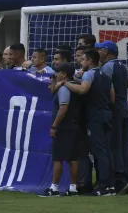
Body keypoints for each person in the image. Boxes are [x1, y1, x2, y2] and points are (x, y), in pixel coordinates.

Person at [59, 49, 115, 196]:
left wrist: (66, 83)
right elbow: (112, 97)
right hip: (107, 115)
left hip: (95, 117)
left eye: (83, 59)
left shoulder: (90, 74)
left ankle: (103, 187)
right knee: (107, 151)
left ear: (90, 61)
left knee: (99, 151)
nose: (81, 62)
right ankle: (110, 185)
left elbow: (83, 90)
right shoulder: (105, 75)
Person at [96, 40, 128, 194]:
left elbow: (104, 89)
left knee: (114, 146)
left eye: (99, 49)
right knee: (124, 147)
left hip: (114, 111)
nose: (97, 52)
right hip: (124, 109)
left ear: (106, 51)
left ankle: (120, 181)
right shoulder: (123, 67)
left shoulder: (107, 67)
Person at [41, 63, 81, 197]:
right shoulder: (75, 87)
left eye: (58, 72)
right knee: (73, 158)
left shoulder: (64, 89)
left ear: (64, 74)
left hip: (64, 127)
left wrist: (54, 126)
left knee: (58, 157)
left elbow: (63, 107)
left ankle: (54, 188)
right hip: (75, 125)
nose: (56, 74)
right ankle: (73, 188)